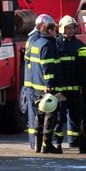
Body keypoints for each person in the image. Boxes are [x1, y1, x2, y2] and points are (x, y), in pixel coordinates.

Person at [31, 19, 63, 154]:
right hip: (46, 88)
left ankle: (37, 146)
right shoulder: (48, 45)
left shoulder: (36, 43)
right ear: (50, 31)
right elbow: (48, 67)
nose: (56, 33)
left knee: (39, 116)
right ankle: (47, 145)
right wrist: (49, 86)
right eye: (55, 30)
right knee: (49, 115)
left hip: (36, 86)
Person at [24, 14, 54, 150]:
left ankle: (36, 144)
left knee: (37, 114)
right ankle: (34, 143)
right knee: (36, 114)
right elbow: (31, 62)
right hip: (34, 84)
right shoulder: (36, 39)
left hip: (33, 82)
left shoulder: (33, 38)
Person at [55, 15, 83, 150]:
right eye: (68, 28)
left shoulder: (78, 45)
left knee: (75, 114)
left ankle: (73, 140)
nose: (71, 30)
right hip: (61, 88)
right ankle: (57, 142)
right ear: (61, 29)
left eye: (72, 28)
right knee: (59, 116)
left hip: (75, 88)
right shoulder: (56, 44)